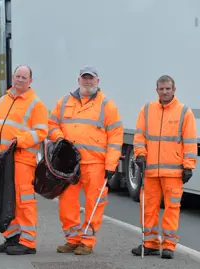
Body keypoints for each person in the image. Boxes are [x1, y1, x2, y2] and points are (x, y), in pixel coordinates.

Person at [48, 65, 124, 255]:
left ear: (98, 81)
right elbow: (52, 124)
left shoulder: (107, 105)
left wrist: (111, 164)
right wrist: (58, 138)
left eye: (91, 78)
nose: (88, 81)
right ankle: (72, 239)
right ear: (78, 80)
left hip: (95, 164)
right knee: (66, 202)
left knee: (94, 203)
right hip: (69, 164)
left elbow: (115, 136)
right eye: (85, 78)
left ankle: (87, 241)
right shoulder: (64, 102)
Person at [0, 65, 48, 255]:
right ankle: (12, 237)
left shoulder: (36, 104)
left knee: (23, 200)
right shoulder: (4, 100)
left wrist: (20, 140)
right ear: (13, 77)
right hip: (2, 159)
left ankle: (28, 242)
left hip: (21, 159)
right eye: (17, 76)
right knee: (5, 198)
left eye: (23, 77)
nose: (19, 80)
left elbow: (41, 132)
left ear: (30, 81)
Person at [131, 75, 197, 259]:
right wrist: (140, 154)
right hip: (150, 170)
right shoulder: (147, 110)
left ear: (174, 90)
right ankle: (150, 244)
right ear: (157, 90)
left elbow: (190, 142)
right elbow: (139, 136)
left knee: (171, 208)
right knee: (148, 208)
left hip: (174, 172)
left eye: (168, 88)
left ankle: (169, 246)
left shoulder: (184, 112)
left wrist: (188, 166)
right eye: (161, 89)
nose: (165, 91)